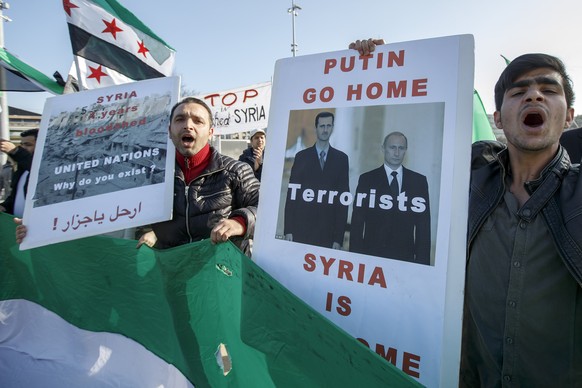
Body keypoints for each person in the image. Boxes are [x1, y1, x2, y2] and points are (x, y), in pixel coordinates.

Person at [350, 41, 582, 386]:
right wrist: (382, 67)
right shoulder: (469, 177)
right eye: (519, 92)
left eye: (548, 89)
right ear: (498, 118)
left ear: (568, 116)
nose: (534, 96)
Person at [136, 97, 260, 252]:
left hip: (220, 270)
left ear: (210, 132)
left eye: (198, 121)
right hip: (168, 269)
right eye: (180, 119)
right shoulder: (153, 175)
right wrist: (151, 233)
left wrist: (240, 222)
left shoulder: (236, 171)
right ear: (169, 131)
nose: (188, 126)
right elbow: (137, 217)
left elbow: (266, 208)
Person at [349, 132, 430, 264]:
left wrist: (422, 263)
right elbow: (357, 222)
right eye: (392, 147)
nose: (397, 153)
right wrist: (355, 258)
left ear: (406, 151)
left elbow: (423, 226)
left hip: (405, 257)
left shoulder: (419, 182)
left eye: (401, 148)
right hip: (371, 255)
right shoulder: (367, 180)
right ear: (383, 149)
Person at [284, 111, 349, 249]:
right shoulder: (302, 157)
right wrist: (288, 230)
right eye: (322, 126)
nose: (325, 130)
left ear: (332, 128)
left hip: (327, 233)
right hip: (301, 230)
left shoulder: (341, 159)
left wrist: (338, 238)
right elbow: (292, 197)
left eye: (328, 126)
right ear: (316, 128)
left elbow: (343, 201)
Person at [0, 129, 38, 217]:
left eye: (28, 145)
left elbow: (37, 170)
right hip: (18, 226)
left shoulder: (42, 168)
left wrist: (15, 151)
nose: (23, 148)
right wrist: (4, 206)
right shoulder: (22, 170)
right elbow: (15, 197)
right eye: (22, 145)